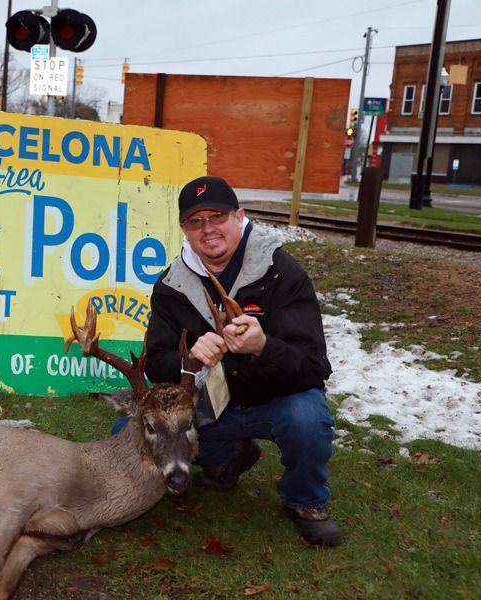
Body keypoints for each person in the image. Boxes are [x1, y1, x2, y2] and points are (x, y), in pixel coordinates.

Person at [144, 175, 342, 547]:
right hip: (212, 404)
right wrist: (189, 358)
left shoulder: (281, 272)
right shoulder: (171, 286)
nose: (207, 229)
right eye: (195, 221)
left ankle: (305, 501)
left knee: (306, 418)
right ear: (184, 229)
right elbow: (155, 362)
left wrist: (263, 346)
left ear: (239, 217)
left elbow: (314, 366)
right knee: (130, 428)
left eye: (217, 217)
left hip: (276, 399)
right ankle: (228, 456)